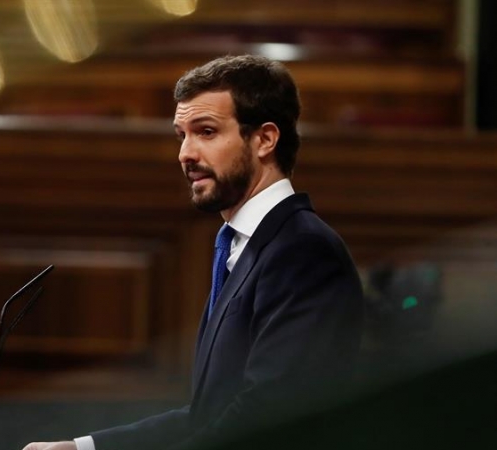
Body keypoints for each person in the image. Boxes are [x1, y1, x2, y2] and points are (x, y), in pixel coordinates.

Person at [22, 54, 364, 450]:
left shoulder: (303, 251)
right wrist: (82, 448)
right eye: (181, 135)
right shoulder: (243, 245)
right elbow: (209, 416)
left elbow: (267, 419)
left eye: (206, 132)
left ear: (265, 139)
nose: (185, 153)